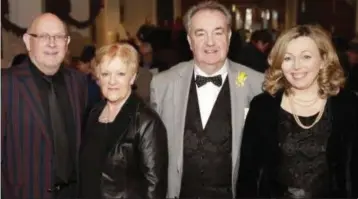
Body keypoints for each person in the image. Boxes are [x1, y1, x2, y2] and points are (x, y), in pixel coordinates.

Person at [150, 1, 263, 198]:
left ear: (228, 37)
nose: (210, 42)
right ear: (189, 40)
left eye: (218, 32)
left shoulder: (257, 84)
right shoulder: (162, 85)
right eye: (201, 33)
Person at [236, 25, 358, 198]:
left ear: (323, 60)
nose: (296, 66)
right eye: (288, 58)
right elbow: (248, 177)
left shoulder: (347, 105)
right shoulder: (263, 106)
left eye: (306, 57)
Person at [1, 13, 88, 199]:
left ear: (67, 42)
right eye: (43, 36)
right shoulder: (5, 85)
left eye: (58, 37)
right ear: (27, 41)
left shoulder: (78, 82)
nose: (52, 43)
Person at [79, 43, 168, 199]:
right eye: (106, 74)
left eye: (120, 74)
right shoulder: (94, 113)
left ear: (132, 77)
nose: (112, 81)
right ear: (98, 77)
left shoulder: (146, 121)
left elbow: (154, 187)